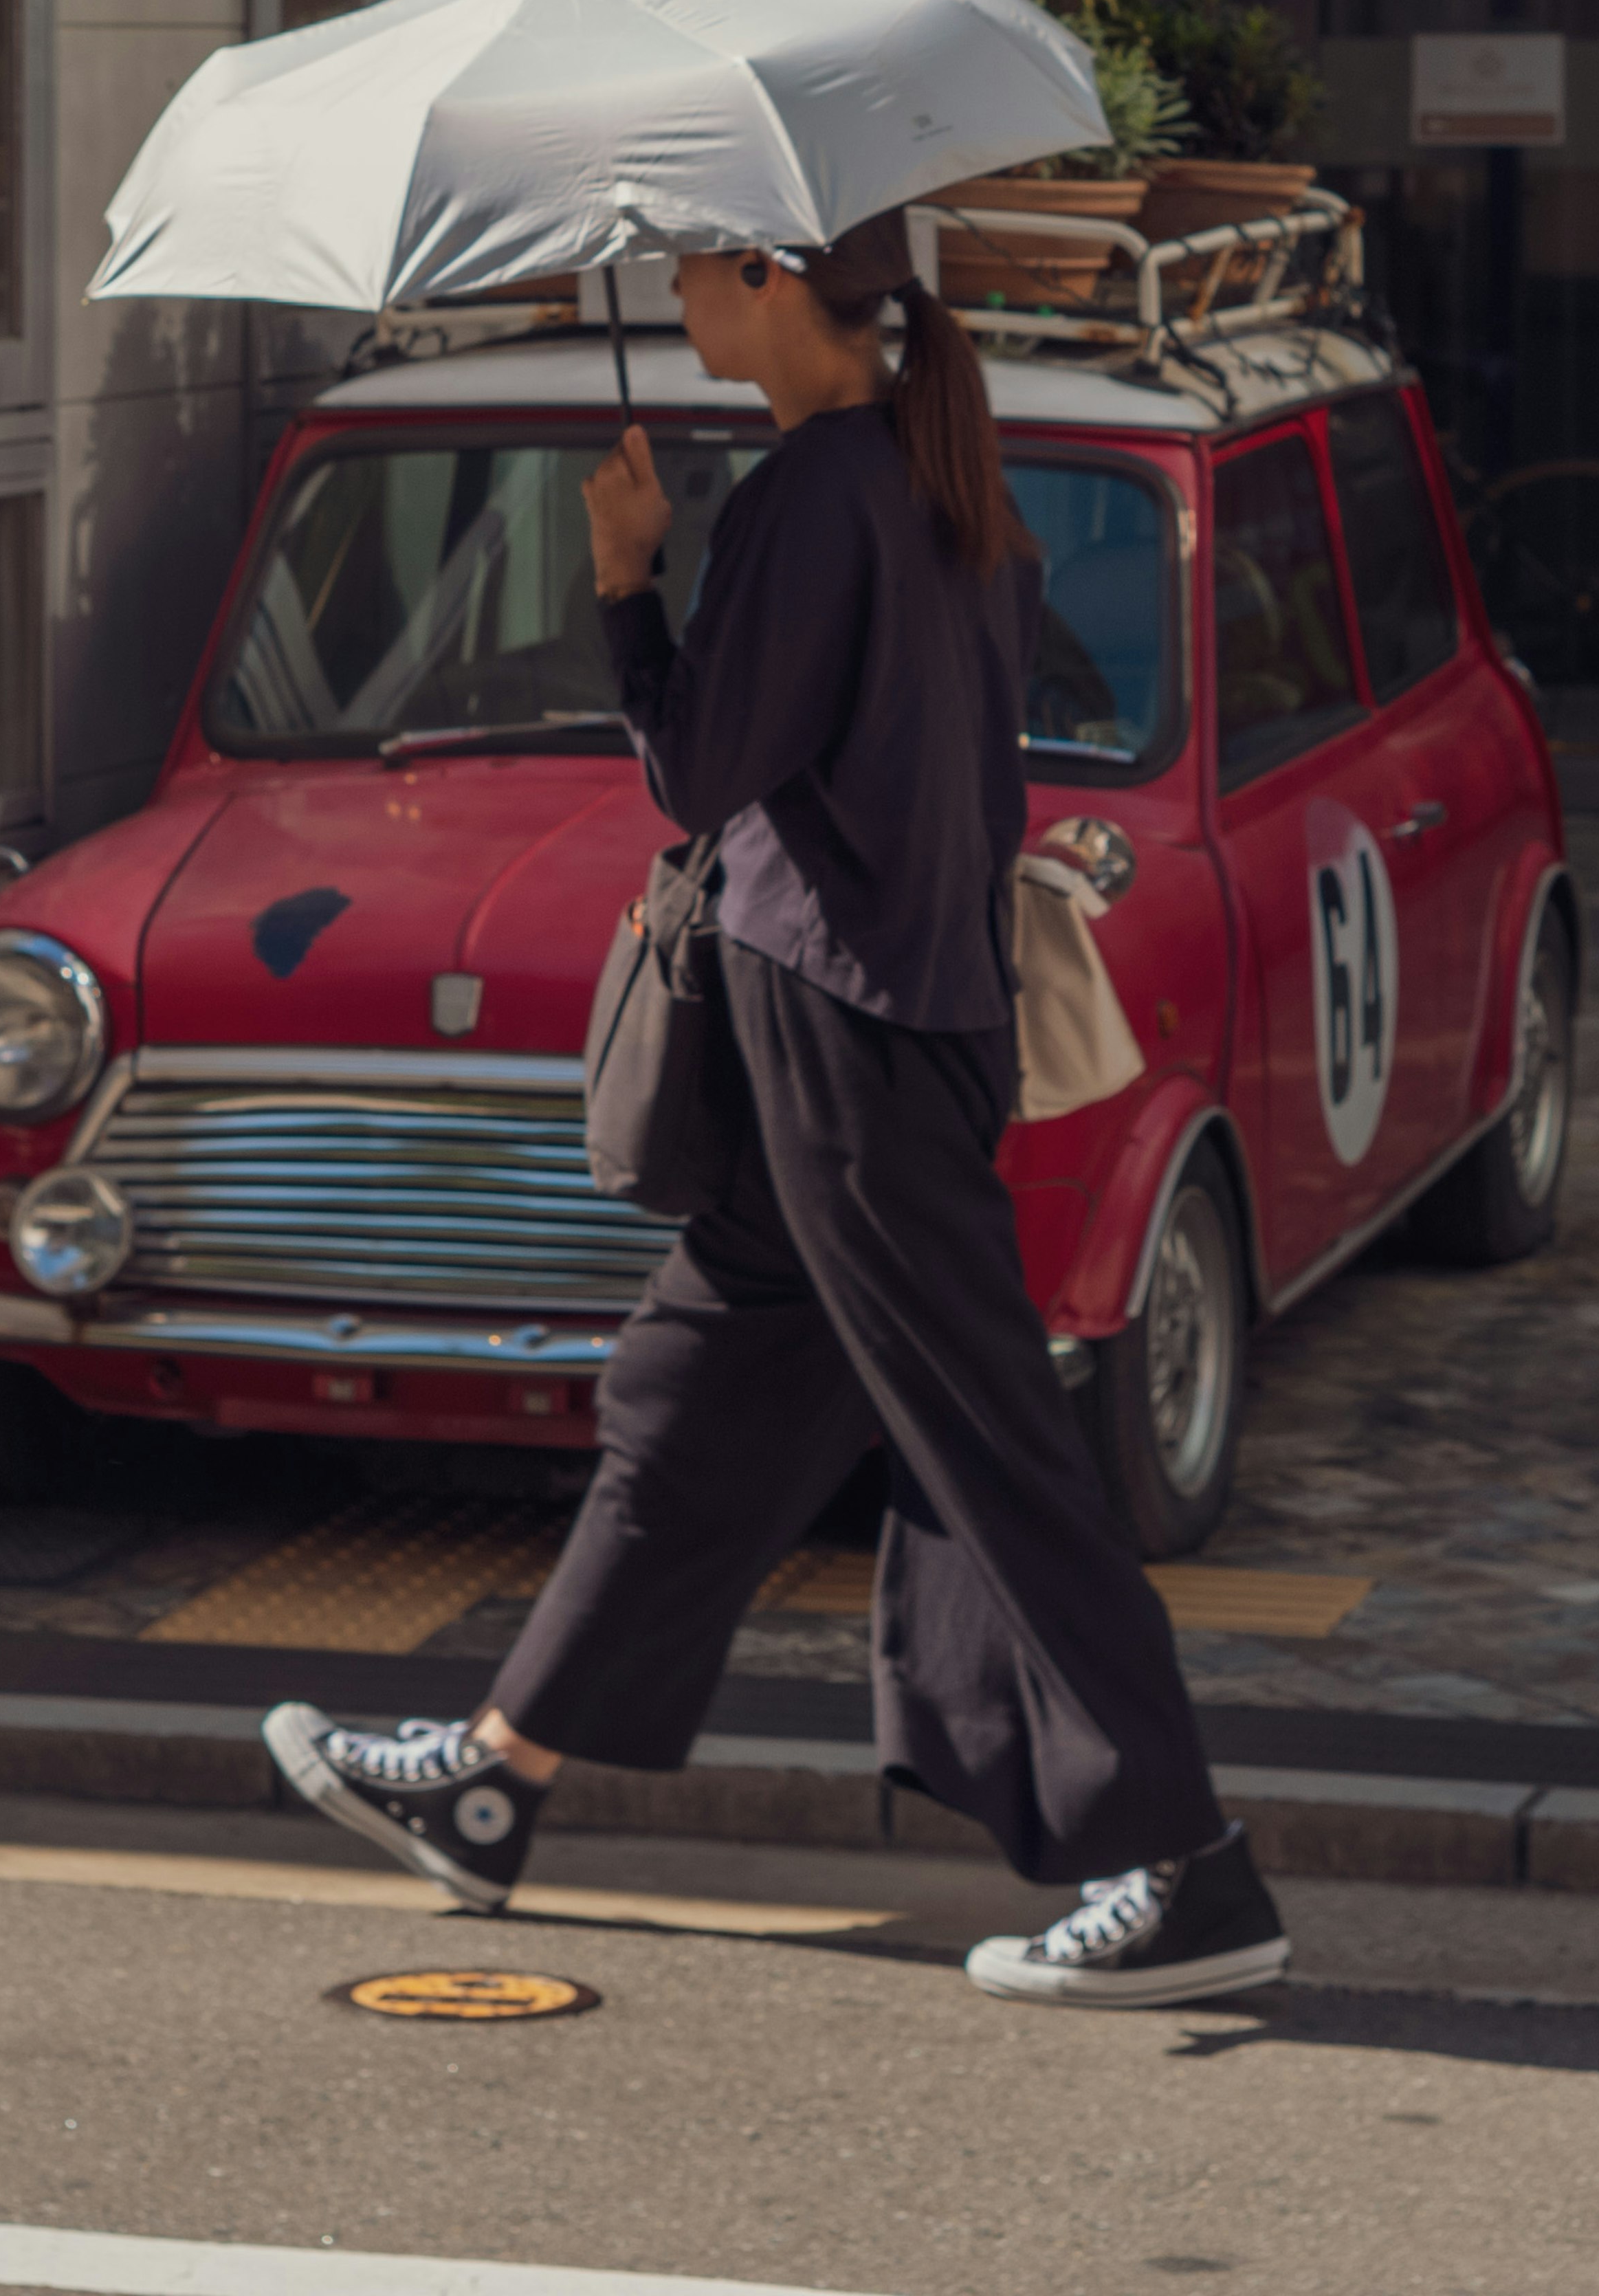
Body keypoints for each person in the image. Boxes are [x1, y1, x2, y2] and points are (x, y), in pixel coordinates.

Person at [263, 212, 1287, 2010]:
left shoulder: (822, 490)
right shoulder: (933, 466)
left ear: (775, 284)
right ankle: (499, 1784)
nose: (672, 290)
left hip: (848, 1045)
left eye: (700, 261)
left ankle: (1186, 1867)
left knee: (990, 1445)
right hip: (894, 1028)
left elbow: (697, 769)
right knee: (693, 1406)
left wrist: (626, 579)